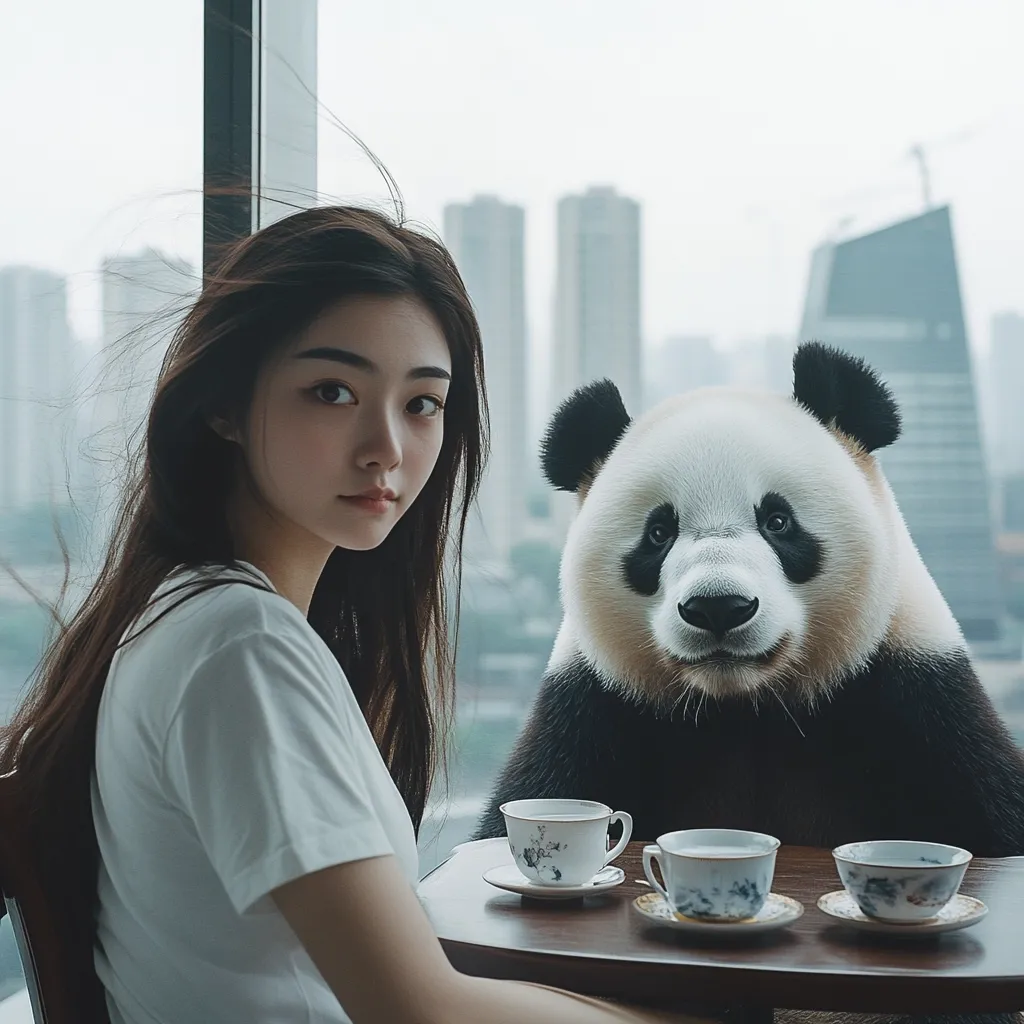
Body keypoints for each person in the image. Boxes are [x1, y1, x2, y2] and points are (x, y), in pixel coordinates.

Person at [0, 206, 712, 1024]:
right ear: (225, 406)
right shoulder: (241, 646)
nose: (387, 447)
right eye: (332, 392)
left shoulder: (190, 612)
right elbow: (413, 1007)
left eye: (421, 403)